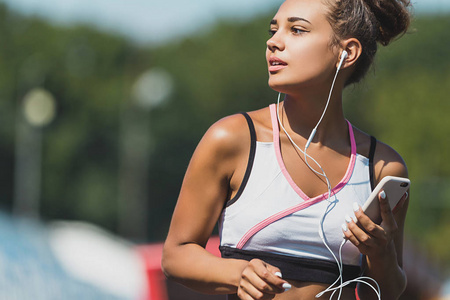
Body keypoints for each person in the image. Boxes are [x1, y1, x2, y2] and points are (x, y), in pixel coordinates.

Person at [162, 0, 412, 299]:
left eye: (297, 30)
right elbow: (176, 255)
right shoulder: (231, 140)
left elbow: (389, 291)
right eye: (273, 29)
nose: (273, 42)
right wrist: (237, 273)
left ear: (347, 52)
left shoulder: (381, 167)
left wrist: (381, 254)